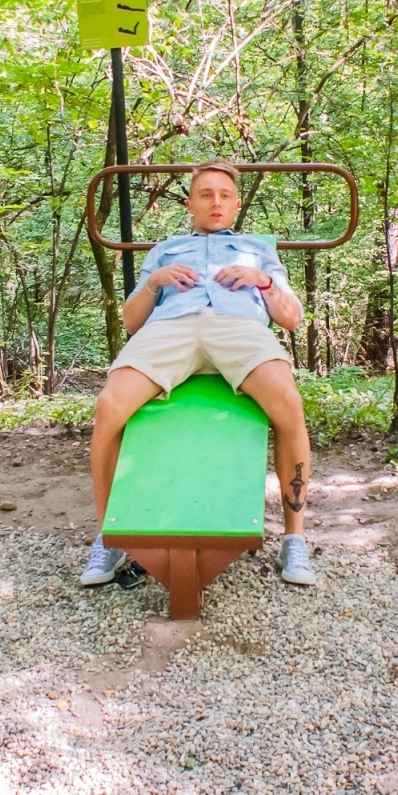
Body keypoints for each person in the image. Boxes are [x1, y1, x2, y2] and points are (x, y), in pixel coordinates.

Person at [81, 159, 317, 589]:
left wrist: (261, 281)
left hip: (238, 328)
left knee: (288, 403)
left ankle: (294, 539)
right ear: (190, 203)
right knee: (109, 405)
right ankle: (108, 537)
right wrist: (156, 282)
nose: (216, 202)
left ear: (236, 204)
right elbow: (132, 321)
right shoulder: (167, 249)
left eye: (225, 195)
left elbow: (292, 318)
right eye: (206, 194)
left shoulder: (258, 252)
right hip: (171, 328)